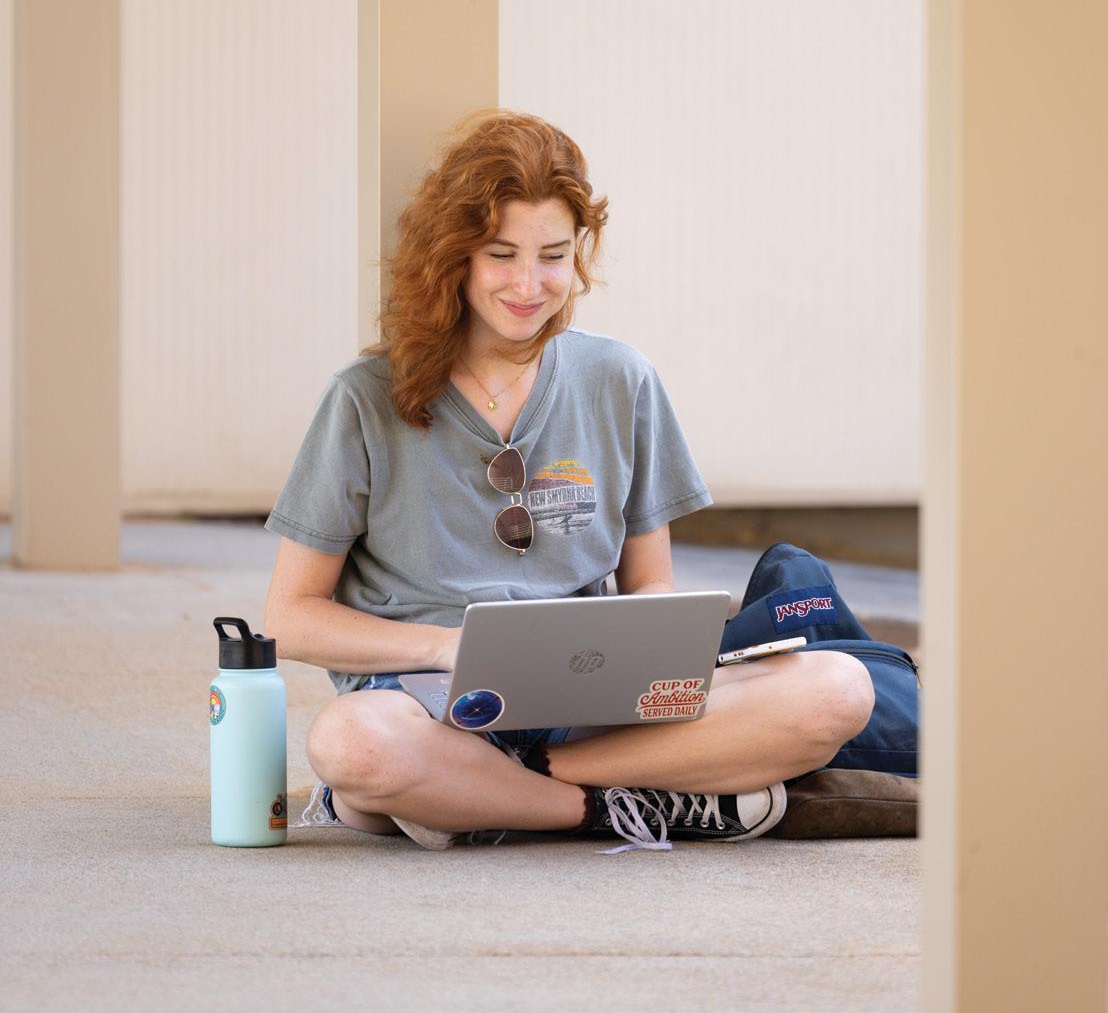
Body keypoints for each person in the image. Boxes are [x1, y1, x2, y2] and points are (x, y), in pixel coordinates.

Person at [262, 109, 875, 851]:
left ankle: (494, 794)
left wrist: (655, 648)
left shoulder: (621, 377)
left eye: (553, 255)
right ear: (453, 256)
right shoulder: (364, 398)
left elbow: (650, 582)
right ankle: (611, 806)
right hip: (426, 705)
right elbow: (292, 616)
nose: (529, 284)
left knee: (837, 689)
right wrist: (444, 647)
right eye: (501, 254)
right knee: (353, 745)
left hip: (592, 701)